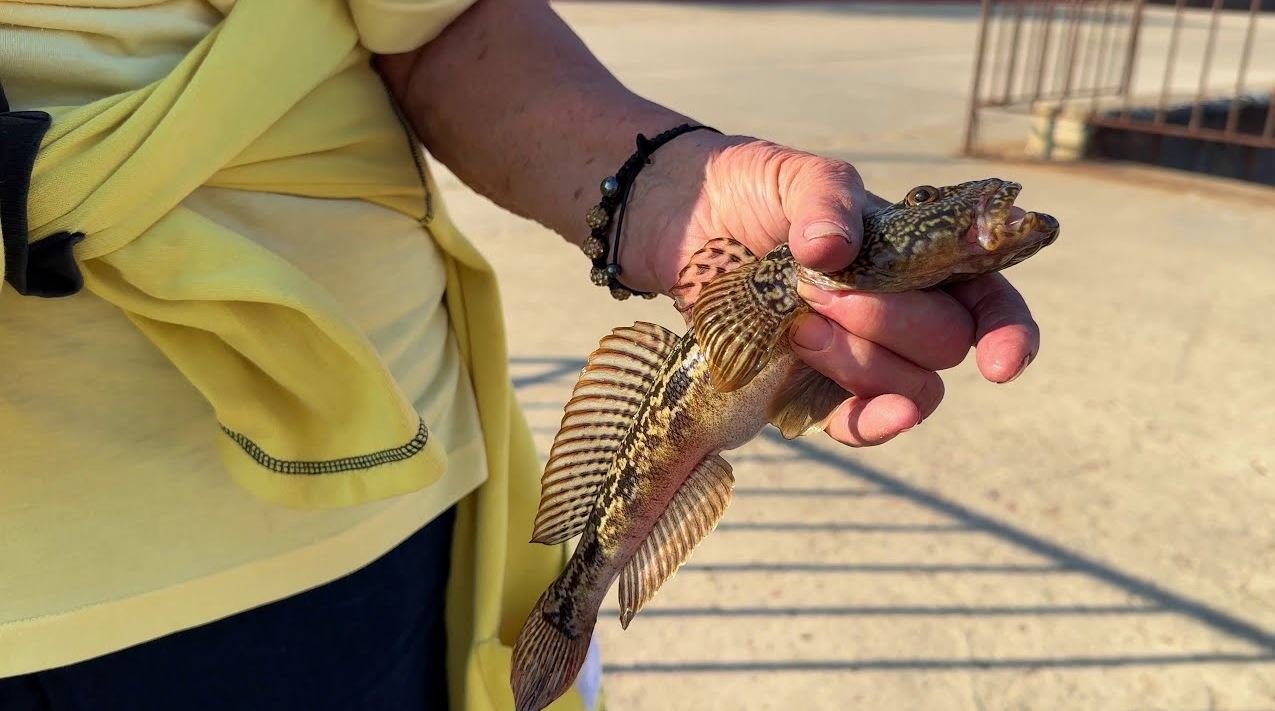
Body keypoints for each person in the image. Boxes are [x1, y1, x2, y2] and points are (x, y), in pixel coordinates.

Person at [0, 1, 1039, 709]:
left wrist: (667, 184)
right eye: (956, 218)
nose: (979, 223)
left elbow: (438, 20)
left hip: (355, 511)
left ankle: (568, 606)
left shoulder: (825, 264)